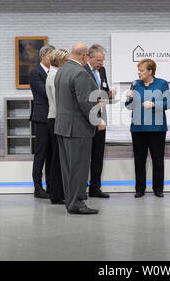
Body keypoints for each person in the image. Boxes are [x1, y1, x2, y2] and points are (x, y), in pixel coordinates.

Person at [54, 43, 106, 215]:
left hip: (62, 127)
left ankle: (70, 201)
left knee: (68, 168)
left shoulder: (61, 71)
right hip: (77, 129)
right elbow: (85, 102)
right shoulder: (80, 73)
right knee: (79, 167)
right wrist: (97, 121)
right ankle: (77, 203)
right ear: (84, 56)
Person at [125, 59, 170, 198]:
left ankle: (158, 188)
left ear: (150, 71)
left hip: (157, 129)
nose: (139, 73)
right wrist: (128, 99)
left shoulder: (162, 83)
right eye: (138, 70)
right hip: (138, 128)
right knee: (139, 161)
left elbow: (168, 103)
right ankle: (140, 189)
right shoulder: (135, 84)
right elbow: (128, 106)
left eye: (142, 70)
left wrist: (153, 104)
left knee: (158, 160)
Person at [83, 44, 117, 199]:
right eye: (98, 60)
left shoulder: (101, 71)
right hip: (86, 119)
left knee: (98, 154)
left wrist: (109, 94)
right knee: (84, 155)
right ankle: (81, 187)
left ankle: (95, 187)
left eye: (103, 60)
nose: (101, 63)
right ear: (89, 57)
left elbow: (104, 90)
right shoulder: (82, 71)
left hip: (101, 117)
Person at [30, 44, 55, 199]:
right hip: (41, 118)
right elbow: (46, 92)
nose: (53, 59)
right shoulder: (35, 73)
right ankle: (38, 188)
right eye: (51, 56)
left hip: (52, 117)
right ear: (44, 55)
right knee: (41, 154)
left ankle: (51, 186)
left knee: (51, 154)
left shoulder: (53, 72)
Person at [45, 48, 69, 204]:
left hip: (54, 118)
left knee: (58, 157)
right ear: (60, 61)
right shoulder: (55, 76)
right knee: (57, 159)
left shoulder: (53, 74)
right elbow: (59, 101)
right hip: (56, 118)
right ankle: (56, 194)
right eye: (66, 60)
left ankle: (58, 192)